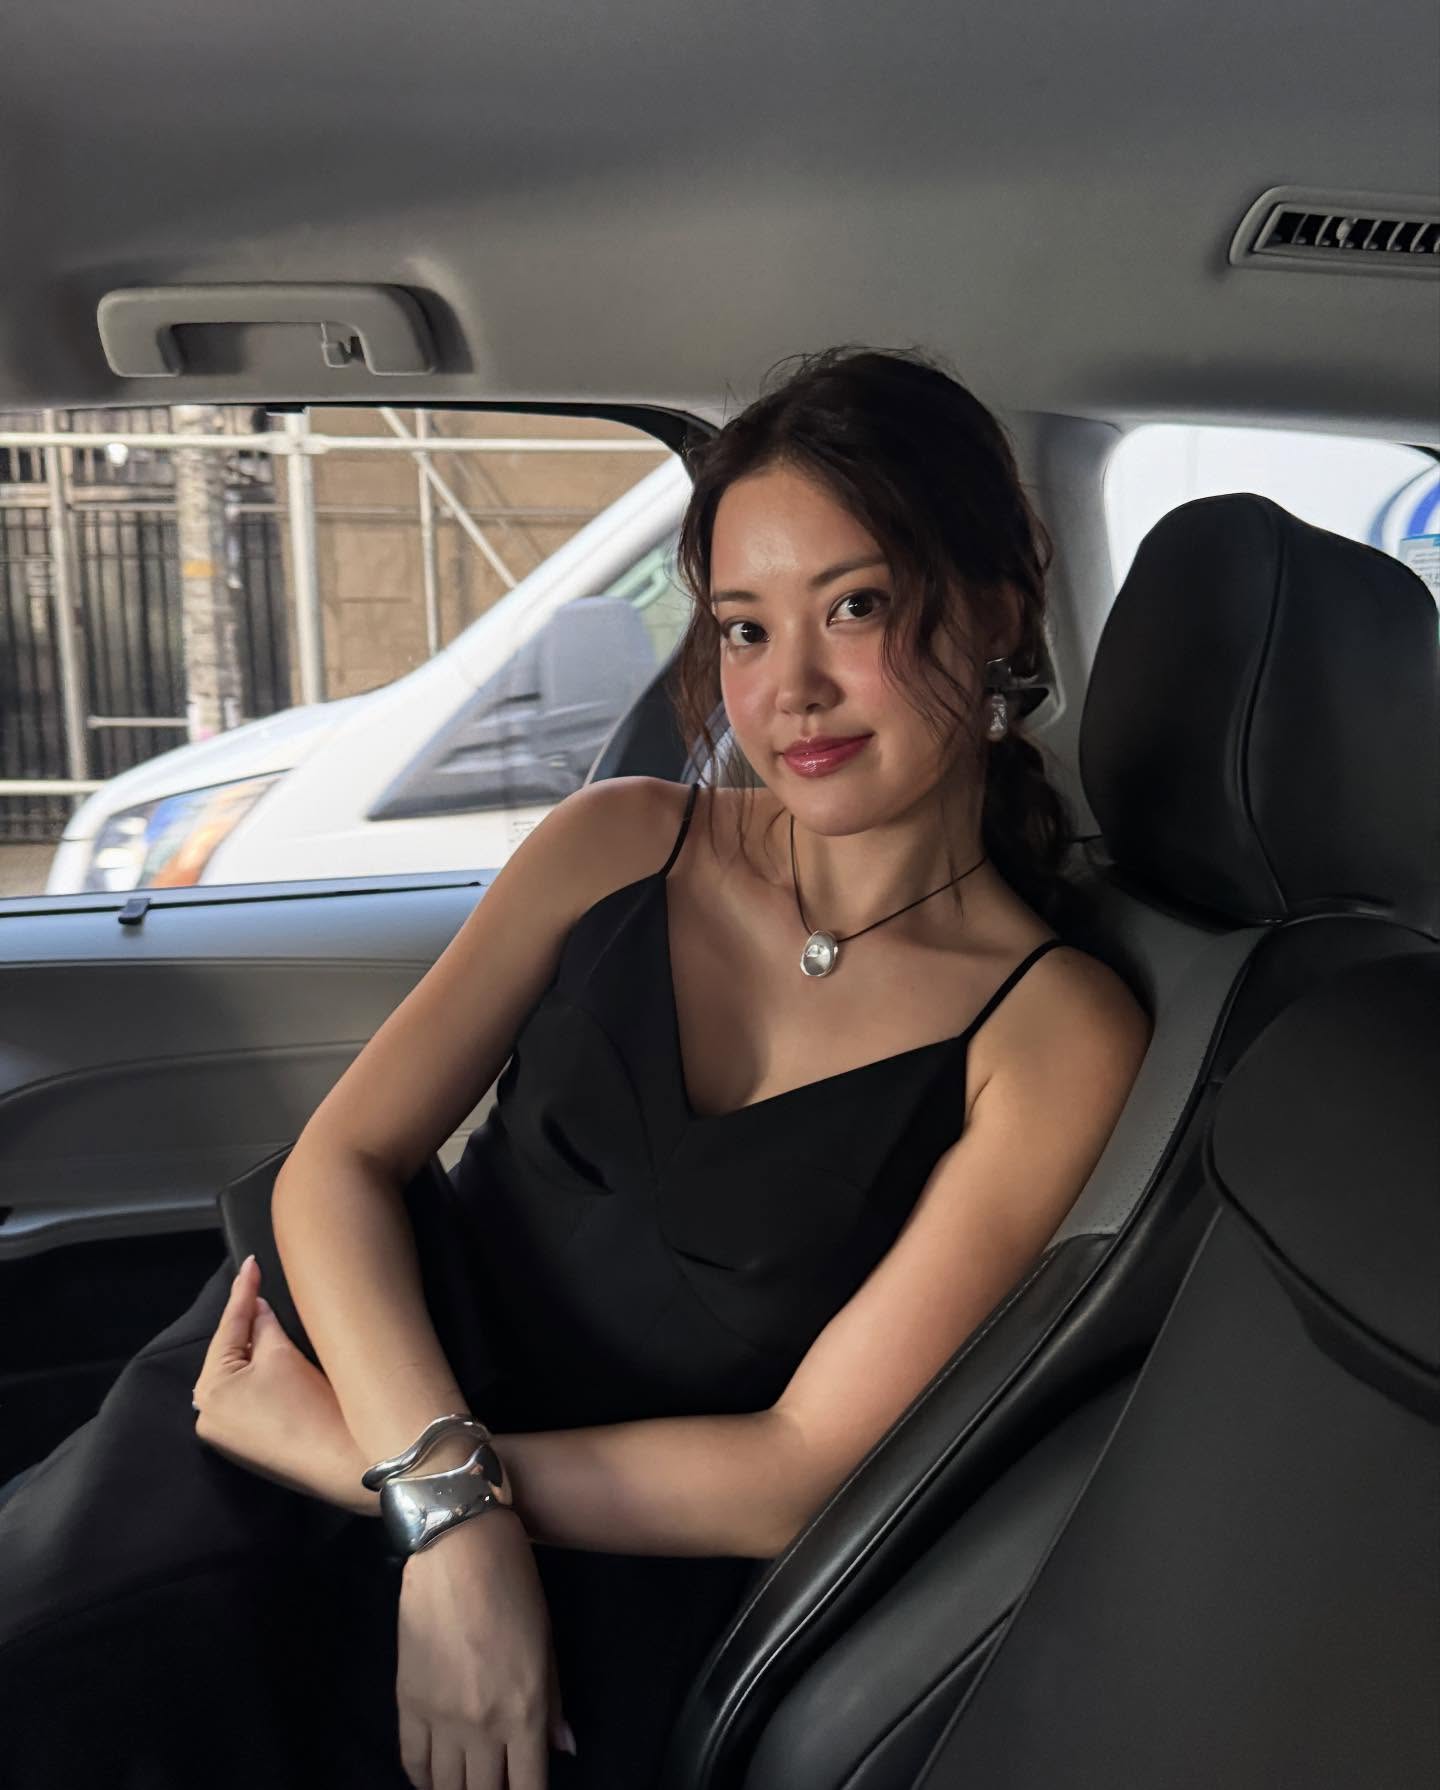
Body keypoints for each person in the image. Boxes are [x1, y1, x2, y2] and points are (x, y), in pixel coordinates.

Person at [0, 345, 1150, 1790]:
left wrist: (398, 1487)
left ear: (997, 609)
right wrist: (435, 1498)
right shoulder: (620, 839)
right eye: (743, 629)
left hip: (595, 1551)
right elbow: (341, 1163)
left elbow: (798, 1466)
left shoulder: (1056, 1030)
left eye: (854, 606)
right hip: (345, 1363)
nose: (791, 689)